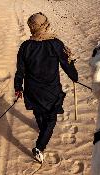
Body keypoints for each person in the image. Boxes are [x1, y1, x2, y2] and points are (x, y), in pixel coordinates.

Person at [14, 12, 78, 163]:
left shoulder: (25, 46)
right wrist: (74, 76)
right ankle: (39, 147)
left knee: (39, 112)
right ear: (46, 26)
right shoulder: (56, 44)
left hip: (32, 91)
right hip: (51, 91)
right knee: (51, 119)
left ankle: (43, 132)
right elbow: (67, 65)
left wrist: (18, 87)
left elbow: (20, 70)